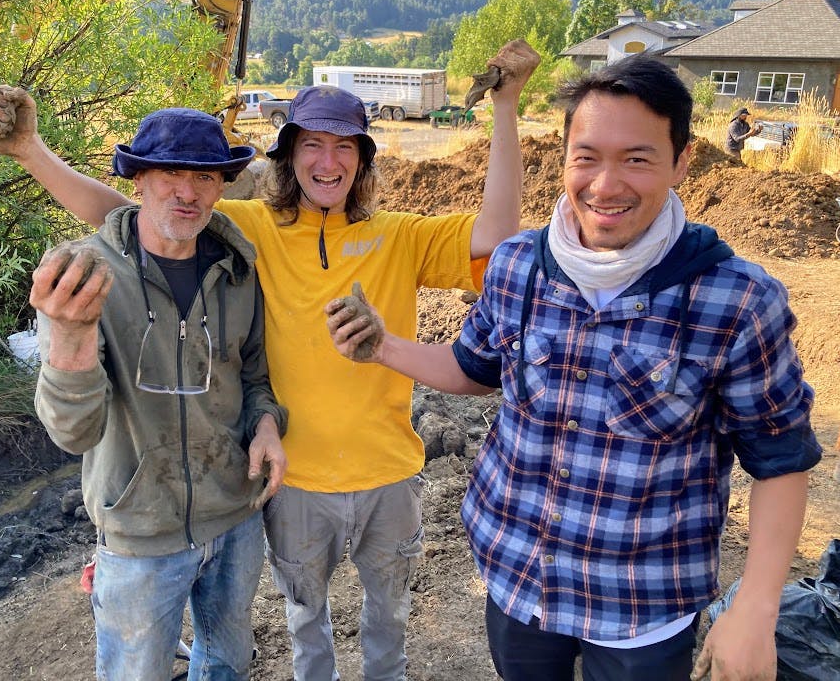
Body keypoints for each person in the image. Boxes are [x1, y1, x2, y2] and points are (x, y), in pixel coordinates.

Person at [0, 39, 540, 680]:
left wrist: (506, 109)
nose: (328, 161)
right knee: (306, 631)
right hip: (294, 485)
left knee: (387, 627)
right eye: (311, 145)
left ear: (363, 161)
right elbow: (132, 212)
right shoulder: (252, 229)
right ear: (287, 158)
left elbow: (499, 237)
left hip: (389, 473)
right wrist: (32, 154)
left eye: (345, 146)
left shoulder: (400, 234)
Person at [327, 54, 822, 681]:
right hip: (518, 579)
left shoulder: (736, 299)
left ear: (682, 162)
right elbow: (475, 369)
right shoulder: (517, 266)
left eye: (637, 158)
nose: (606, 184)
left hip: (645, 608)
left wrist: (756, 605)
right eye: (586, 157)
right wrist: (383, 348)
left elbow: (781, 460)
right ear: (563, 159)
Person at [0, 106, 289, 680]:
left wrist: (266, 426)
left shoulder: (238, 271)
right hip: (139, 536)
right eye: (169, 174)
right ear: (137, 180)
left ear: (222, 186)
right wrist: (68, 341)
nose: (187, 192)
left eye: (205, 176)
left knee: (229, 662)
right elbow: (74, 432)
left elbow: (256, 375)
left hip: (236, 519)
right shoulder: (88, 276)